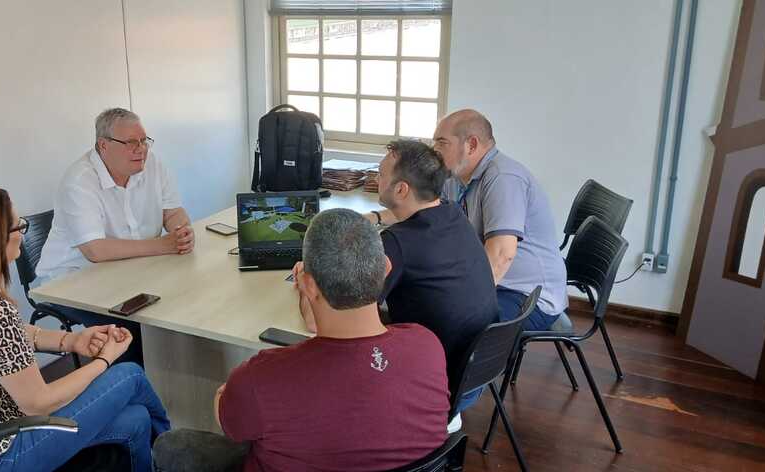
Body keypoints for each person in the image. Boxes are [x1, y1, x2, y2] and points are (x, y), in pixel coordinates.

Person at [153, 209, 450, 472]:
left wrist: (227, 393)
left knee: (171, 446)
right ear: (386, 268)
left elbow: (228, 421)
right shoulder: (428, 347)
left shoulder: (262, 376)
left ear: (306, 283)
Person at [0, 186, 170, 472]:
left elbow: (13, 333)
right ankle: (176, 455)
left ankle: (162, 460)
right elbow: (38, 403)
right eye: (17, 225)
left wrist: (72, 341)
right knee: (129, 374)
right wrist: (104, 360)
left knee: (136, 420)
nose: (22, 230)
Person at [372, 110, 567, 330]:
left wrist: (462, 298)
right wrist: (375, 217)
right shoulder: (456, 177)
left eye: (441, 143)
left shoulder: (503, 178)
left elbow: (502, 255)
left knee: (433, 316)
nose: (434, 151)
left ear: (471, 145)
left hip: (524, 294)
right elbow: (421, 205)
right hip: (494, 283)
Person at [35, 107, 194, 363]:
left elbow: (172, 211)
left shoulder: (152, 163)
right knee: (129, 332)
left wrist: (180, 230)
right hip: (74, 282)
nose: (141, 149)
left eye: (144, 141)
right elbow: (96, 251)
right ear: (103, 145)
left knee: (185, 303)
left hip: (134, 270)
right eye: (131, 143)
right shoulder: (79, 180)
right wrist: (164, 245)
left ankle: (176, 386)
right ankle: (135, 387)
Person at [372, 139, 497, 415]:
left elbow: (356, 314)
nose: (376, 179)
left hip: (434, 385)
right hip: (475, 370)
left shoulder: (396, 243)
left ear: (401, 189)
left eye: (380, 174)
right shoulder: (453, 213)